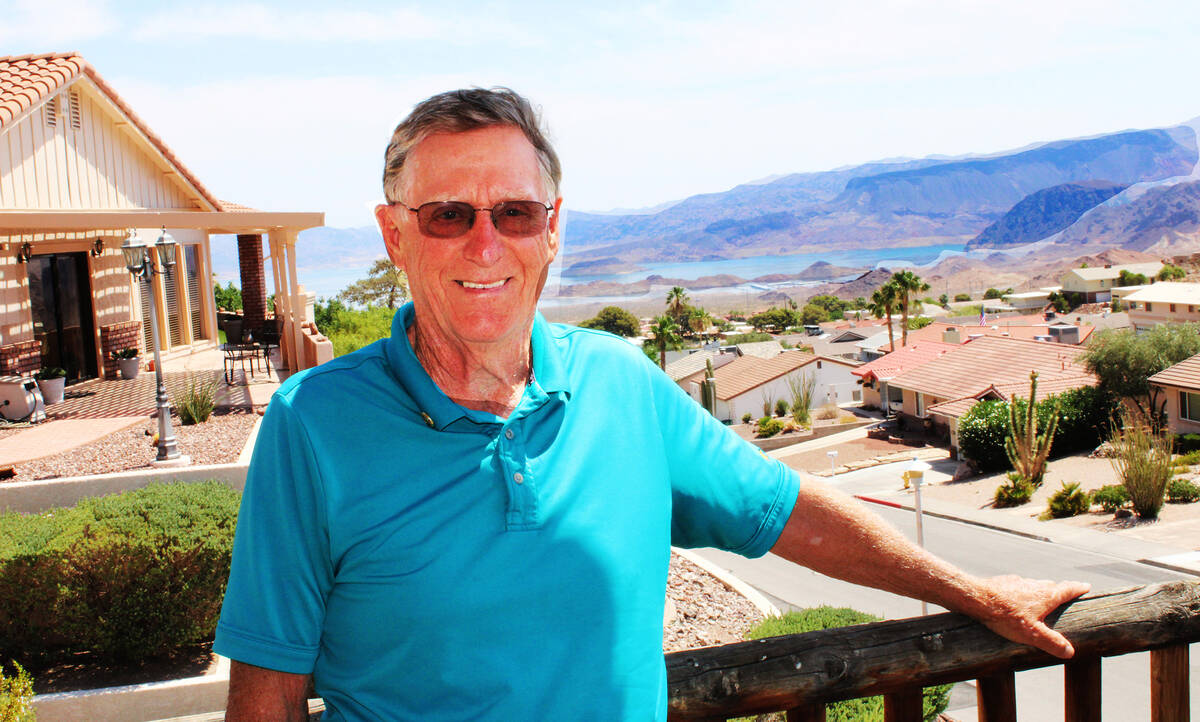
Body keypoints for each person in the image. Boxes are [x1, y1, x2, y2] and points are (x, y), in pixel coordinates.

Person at [215, 88, 1089, 721]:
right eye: (448, 214)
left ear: (552, 231)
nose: (486, 242)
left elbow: (790, 514)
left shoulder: (620, 384)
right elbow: (266, 697)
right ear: (394, 233)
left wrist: (970, 590)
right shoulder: (313, 424)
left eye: (515, 212)